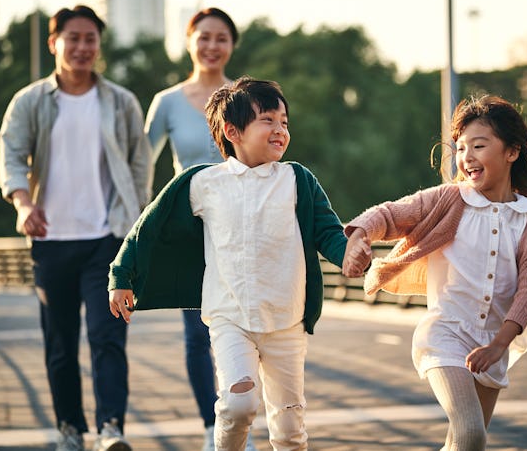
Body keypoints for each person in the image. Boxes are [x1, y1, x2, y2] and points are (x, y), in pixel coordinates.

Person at [108, 77, 369, 451]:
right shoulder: (203, 183)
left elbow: (328, 233)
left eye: (284, 122)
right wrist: (122, 275)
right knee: (237, 405)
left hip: (287, 320)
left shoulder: (297, 180)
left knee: (290, 428)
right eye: (268, 120)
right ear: (232, 131)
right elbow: (148, 227)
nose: (280, 130)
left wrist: (350, 255)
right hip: (230, 318)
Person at [342, 95, 527, 450]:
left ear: (512, 152)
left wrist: (499, 344)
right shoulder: (449, 200)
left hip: (495, 341)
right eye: (461, 148)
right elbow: (389, 214)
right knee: (471, 433)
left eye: (478, 145)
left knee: (465, 444)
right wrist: (359, 236)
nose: (466, 157)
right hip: (446, 334)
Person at [0, 5, 152, 451]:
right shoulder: (30, 102)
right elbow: (11, 155)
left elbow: (141, 162)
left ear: (99, 46)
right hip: (50, 239)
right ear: (55, 43)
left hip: (108, 239)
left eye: (91, 39)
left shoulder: (121, 101)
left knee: (108, 338)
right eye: (74, 38)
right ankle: (70, 429)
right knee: (61, 343)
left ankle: (110, 429)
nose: (83, 47)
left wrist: (135, 218)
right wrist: (23, 203)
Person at [144, 7, 255, 451]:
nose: (212, 46)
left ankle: (241, 422)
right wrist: (145, 226)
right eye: (203, 37)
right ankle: (215, 427)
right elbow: (140, 163)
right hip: (190, 233)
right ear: (189, 41)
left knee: (248, 328)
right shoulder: (168, 102)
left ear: (231, 45)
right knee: (197, 334)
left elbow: (269, 148)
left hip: (245, 227)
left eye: (221, 38)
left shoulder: (248, 96)